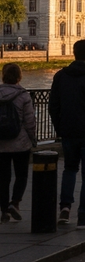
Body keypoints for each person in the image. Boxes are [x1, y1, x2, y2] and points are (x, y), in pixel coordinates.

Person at [49, 39, 85, 228]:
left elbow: (53, 107)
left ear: (73, 53)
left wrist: (60, 127)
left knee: (69, 169)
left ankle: (65, 208)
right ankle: (84, 216)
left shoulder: (60, 76)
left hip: (69, 131)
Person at [0, 63, 36, 223]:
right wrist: (33, 138)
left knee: (3, 178)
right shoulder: (23, 95)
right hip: (20, 142)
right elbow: (29, 121)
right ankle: (15, 202)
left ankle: (4, 211)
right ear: (19, 77)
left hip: (1, 143)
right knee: (21, 175)